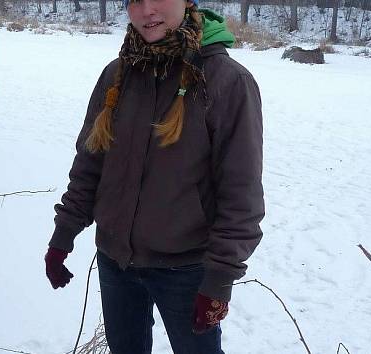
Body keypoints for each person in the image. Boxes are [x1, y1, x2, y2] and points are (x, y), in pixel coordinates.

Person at [45, 0, 264, 352]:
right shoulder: (116, 76)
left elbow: (241, 195)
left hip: (187, 269)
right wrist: (62, 236)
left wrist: (220, 279)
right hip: (116, 262)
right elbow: (89, 166)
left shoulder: (227, 82)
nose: (146, 11)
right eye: (134, 0)